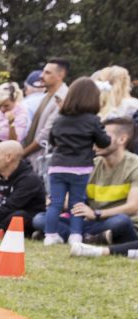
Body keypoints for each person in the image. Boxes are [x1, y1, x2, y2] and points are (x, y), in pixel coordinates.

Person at [50, 117, 138, 258]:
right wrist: (57, 202)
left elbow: (133, 207)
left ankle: (79, 237)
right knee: (41, 219)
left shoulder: (134, 165)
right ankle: (92, 238)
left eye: (103, 136)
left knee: (121, 221)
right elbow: (71, 199)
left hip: (116, 221)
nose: (96, 141)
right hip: (93, 223)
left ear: (122, 139)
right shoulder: (90, 164)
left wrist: (97, 214)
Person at [43, 77, 111, 246]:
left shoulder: (59, 119)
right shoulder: (92, 120)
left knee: (55, 203)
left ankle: (50, 235)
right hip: (80, 168)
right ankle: (76, 236)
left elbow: (52, 140)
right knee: (77, 203)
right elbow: (104, 142)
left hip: (57, 166)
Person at [21, 58, 70, 178]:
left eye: (47, 73)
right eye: (43, 71)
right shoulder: (47, 96)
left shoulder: (63, 98)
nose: (41, 76)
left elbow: (46, 134)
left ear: (60, 75)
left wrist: (22, 154)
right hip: (34, 158)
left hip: (44, 160)